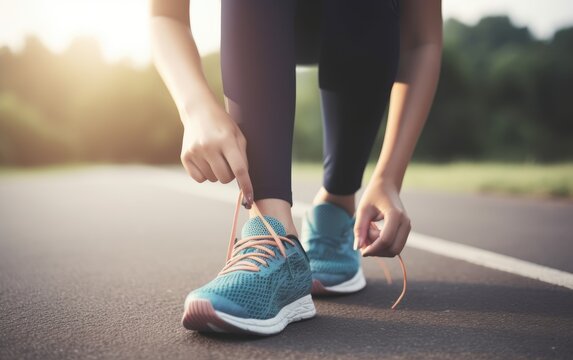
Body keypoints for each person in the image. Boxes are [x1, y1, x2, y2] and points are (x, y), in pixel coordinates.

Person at [150, 0, 442, 335]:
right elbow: (164, 15)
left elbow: (423, 40)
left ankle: (337, 205)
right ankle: (273, 234)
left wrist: (389, 177)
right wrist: (196, 108)